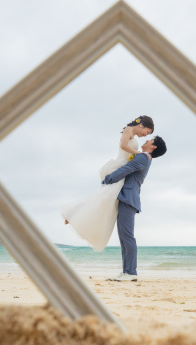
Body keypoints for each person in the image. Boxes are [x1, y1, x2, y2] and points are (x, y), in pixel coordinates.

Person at [61, 116, 155, 252]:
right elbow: (123, 146)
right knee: (105, 197)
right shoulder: (128, 130)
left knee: (105, 198)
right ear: (141, 125)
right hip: (118, 167)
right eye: (147, 131)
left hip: (122, 168)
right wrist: (138, 153)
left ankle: (74, 213)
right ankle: (72, 212)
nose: (146, 135)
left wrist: (138, 155)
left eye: (148, 135)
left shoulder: (134, 138)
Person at [102, 135, 167, 282]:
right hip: (127, 197)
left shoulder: (144, 158)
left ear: (153, 146)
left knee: (127, 237)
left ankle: (131, 272)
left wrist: (107, 179)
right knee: (124, 238)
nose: (147, 140)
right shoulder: (144, 157)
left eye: (150, 140)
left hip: (128, 198)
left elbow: (126, 169)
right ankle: (126, 271)